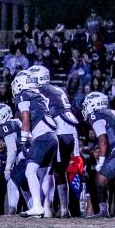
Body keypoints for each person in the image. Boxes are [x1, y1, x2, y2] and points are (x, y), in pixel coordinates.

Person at [31, 65, 80, 217]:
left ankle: (46, 209)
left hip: (57, 129)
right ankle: (64, 209)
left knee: (45, 170)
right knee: (59, 171)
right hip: (70, 130)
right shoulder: (57, 89)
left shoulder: (39, 91)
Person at [12, 71, 57, 218]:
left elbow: (26, 119)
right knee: (44, 175)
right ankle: (44, 207)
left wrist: (24, 140)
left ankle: (37, 206)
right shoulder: (39, 96)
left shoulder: (23, 95)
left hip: (42, 138)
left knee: (29, 172)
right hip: (53, 137)